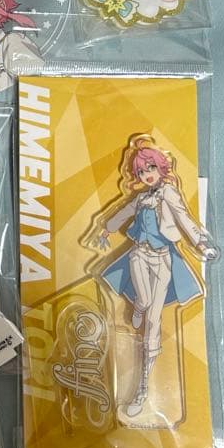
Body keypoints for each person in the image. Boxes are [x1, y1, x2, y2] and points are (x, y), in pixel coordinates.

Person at [89, 136, 216, 415]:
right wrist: (106, 230)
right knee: (144, 302)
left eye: (151, 168)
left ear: (161, 167)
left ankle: (142, 389)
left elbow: (184, 218)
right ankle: (138, 307)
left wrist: (201, 243)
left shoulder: (168, 193)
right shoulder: (141, 198)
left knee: (153, 321)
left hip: (163, 260)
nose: (147, 174)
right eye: (141, 171)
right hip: (139, 254)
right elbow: (123, 212)